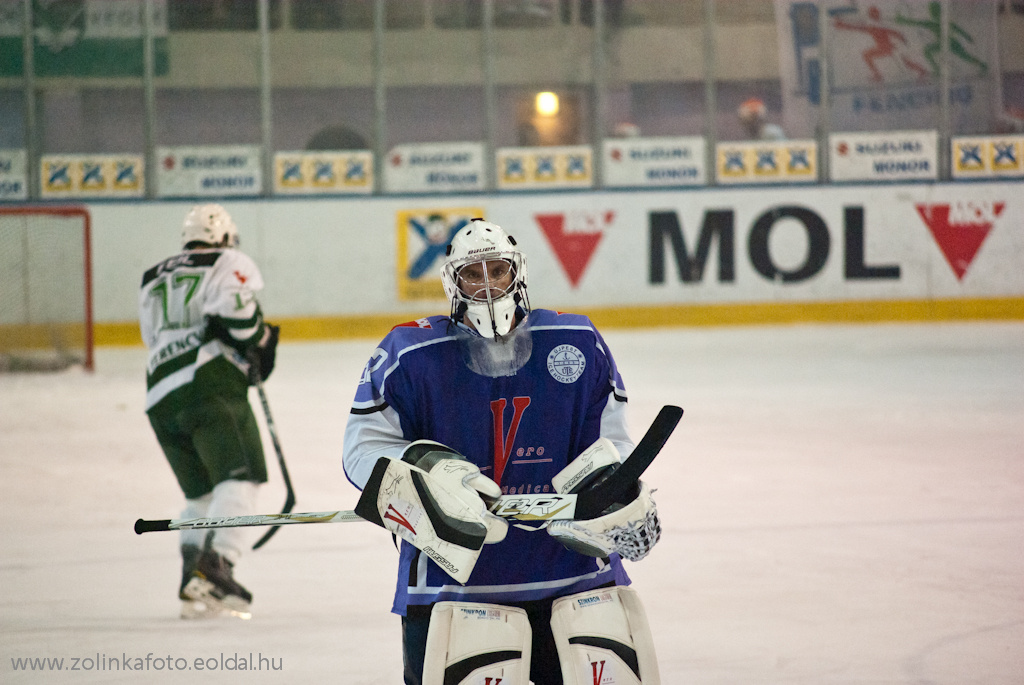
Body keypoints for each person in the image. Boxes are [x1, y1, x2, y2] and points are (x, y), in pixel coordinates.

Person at [343, 218, 662, 684]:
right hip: (452, 587)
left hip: (572, 579)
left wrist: (611, 490)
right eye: (474, 274)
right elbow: (363, 447)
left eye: (498, 271)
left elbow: (612, 440)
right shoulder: (409, 352)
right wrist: (431, 474)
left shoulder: (576, 340)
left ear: (519, 274)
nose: (488, 285)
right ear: (453, 281)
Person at [138, 203, 280, 620]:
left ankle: (192, 577)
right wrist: (259, 338)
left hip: (160, 396)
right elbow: (238, 317)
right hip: (209, 386)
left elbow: (152, 336)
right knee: (242, 479)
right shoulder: (228, 259)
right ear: (223, 237)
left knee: (199, 493)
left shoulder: (152, 276)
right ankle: (217, 566)